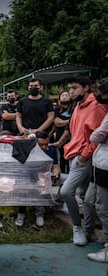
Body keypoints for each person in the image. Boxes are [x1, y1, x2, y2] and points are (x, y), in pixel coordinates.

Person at [60, 75, 108, 246]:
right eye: (69, 88)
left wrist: (84, 155)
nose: (71, 92)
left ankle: (77, 227)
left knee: (66, 192)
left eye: (74, 88)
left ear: (86, 88)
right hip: (75, 154)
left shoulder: (96, 106)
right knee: (85, 196)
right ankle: (90, 232)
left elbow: (99, 136)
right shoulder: (78, 105)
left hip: (85, 157)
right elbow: (76, 131)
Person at [15, 78, 54, 227]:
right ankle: (21, 213)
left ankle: (40, 212)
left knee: (41, 178)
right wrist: (21, 128)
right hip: (24, 137)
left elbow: (51, 117)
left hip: (41, 137)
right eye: (31, 86)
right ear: (28, 87)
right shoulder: (23, 101)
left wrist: (39, 130)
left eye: (36, 86)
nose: (33, 88)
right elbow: (18, 116)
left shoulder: (46, 101)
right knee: (23, 176)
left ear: (41, 87)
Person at [87, 77, 108, 262]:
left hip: (105, 166)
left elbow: (96, 135)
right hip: (101, 164)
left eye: (99, 91)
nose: (97, 95)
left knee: (103, 206)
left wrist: (98, 135)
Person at [53, 90, 73, 173]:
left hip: (71, 136)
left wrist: (63, 122)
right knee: (61, 157)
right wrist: (70, 121)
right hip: (60, 135)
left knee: (70, 156)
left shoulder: (73, 108)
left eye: (66, 95)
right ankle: (62, 175)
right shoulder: (57, 109)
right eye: (62, 95)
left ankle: (69, 173)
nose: (64, 97)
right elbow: (57, 123)